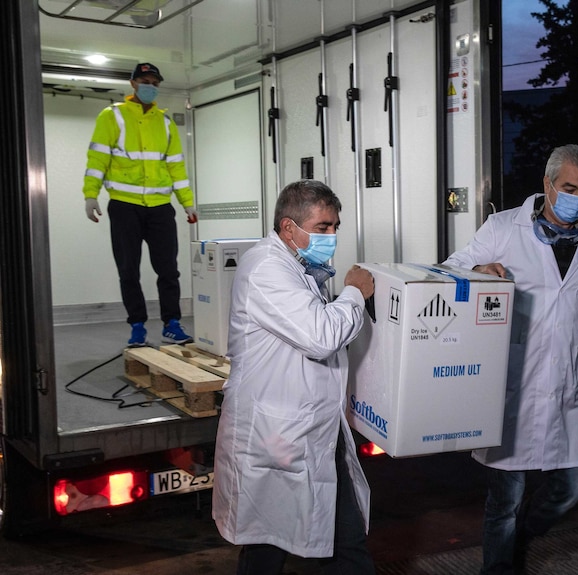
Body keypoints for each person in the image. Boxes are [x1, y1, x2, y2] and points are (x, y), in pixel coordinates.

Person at [444, 144, 578, 575]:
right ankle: (498, 567)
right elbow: (448, 268)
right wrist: (478, 273)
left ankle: (521, 538)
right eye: (570, 188)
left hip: (563, 384)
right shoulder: (502, 227)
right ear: (547, 184)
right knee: (505, 498)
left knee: (572, 487)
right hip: (512, 384)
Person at [212, 180, 376, 575]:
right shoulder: (266, 267)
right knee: (267, 549)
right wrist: (354, 294)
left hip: (310, 431)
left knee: (341, 543)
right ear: (289, 228)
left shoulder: (296, 265)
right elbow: (320, 336)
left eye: (335, 226)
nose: (332, 236)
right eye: (322, 228)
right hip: (277, 436)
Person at [83, 62, 197, 347]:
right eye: (145, 81)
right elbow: (98, 159)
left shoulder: (166, 122)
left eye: (155, 83)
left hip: (160, 206)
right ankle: (137, 326)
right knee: (128, 270)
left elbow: (176, 168)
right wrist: (90, 194)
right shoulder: (113, 116)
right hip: (124, 206)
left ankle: (172, 323)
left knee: (168, 269)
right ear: (133, 83)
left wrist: (187, 203)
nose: (150, 86)